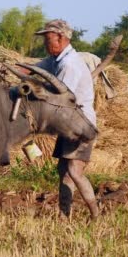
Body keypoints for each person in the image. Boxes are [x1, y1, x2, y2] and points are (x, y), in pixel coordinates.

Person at [34, 19, 99, 220]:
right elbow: (35, 67)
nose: (45, 44)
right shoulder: (57, 59)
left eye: (47, 39)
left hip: (80, 125)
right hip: (67, 125)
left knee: (74, 170)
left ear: (60, 38)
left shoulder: (69, 65)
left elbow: (60, 99)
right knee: (64, 170)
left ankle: (96, 215)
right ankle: (64, 215)